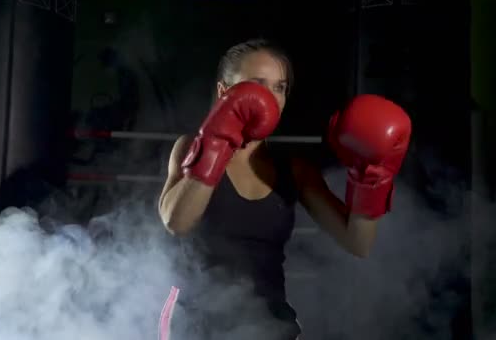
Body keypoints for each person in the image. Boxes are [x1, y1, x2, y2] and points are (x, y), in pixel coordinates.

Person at [157, 38, 412, 340]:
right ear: (225, 92)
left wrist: (371, 177)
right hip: (197, 324)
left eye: (280, 87)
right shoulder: (190, 148)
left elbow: (358, 243)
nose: (270, 97)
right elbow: (176, 221)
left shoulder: (294, 170)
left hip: (268, 324)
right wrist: (216, 144)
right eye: (257, 84)